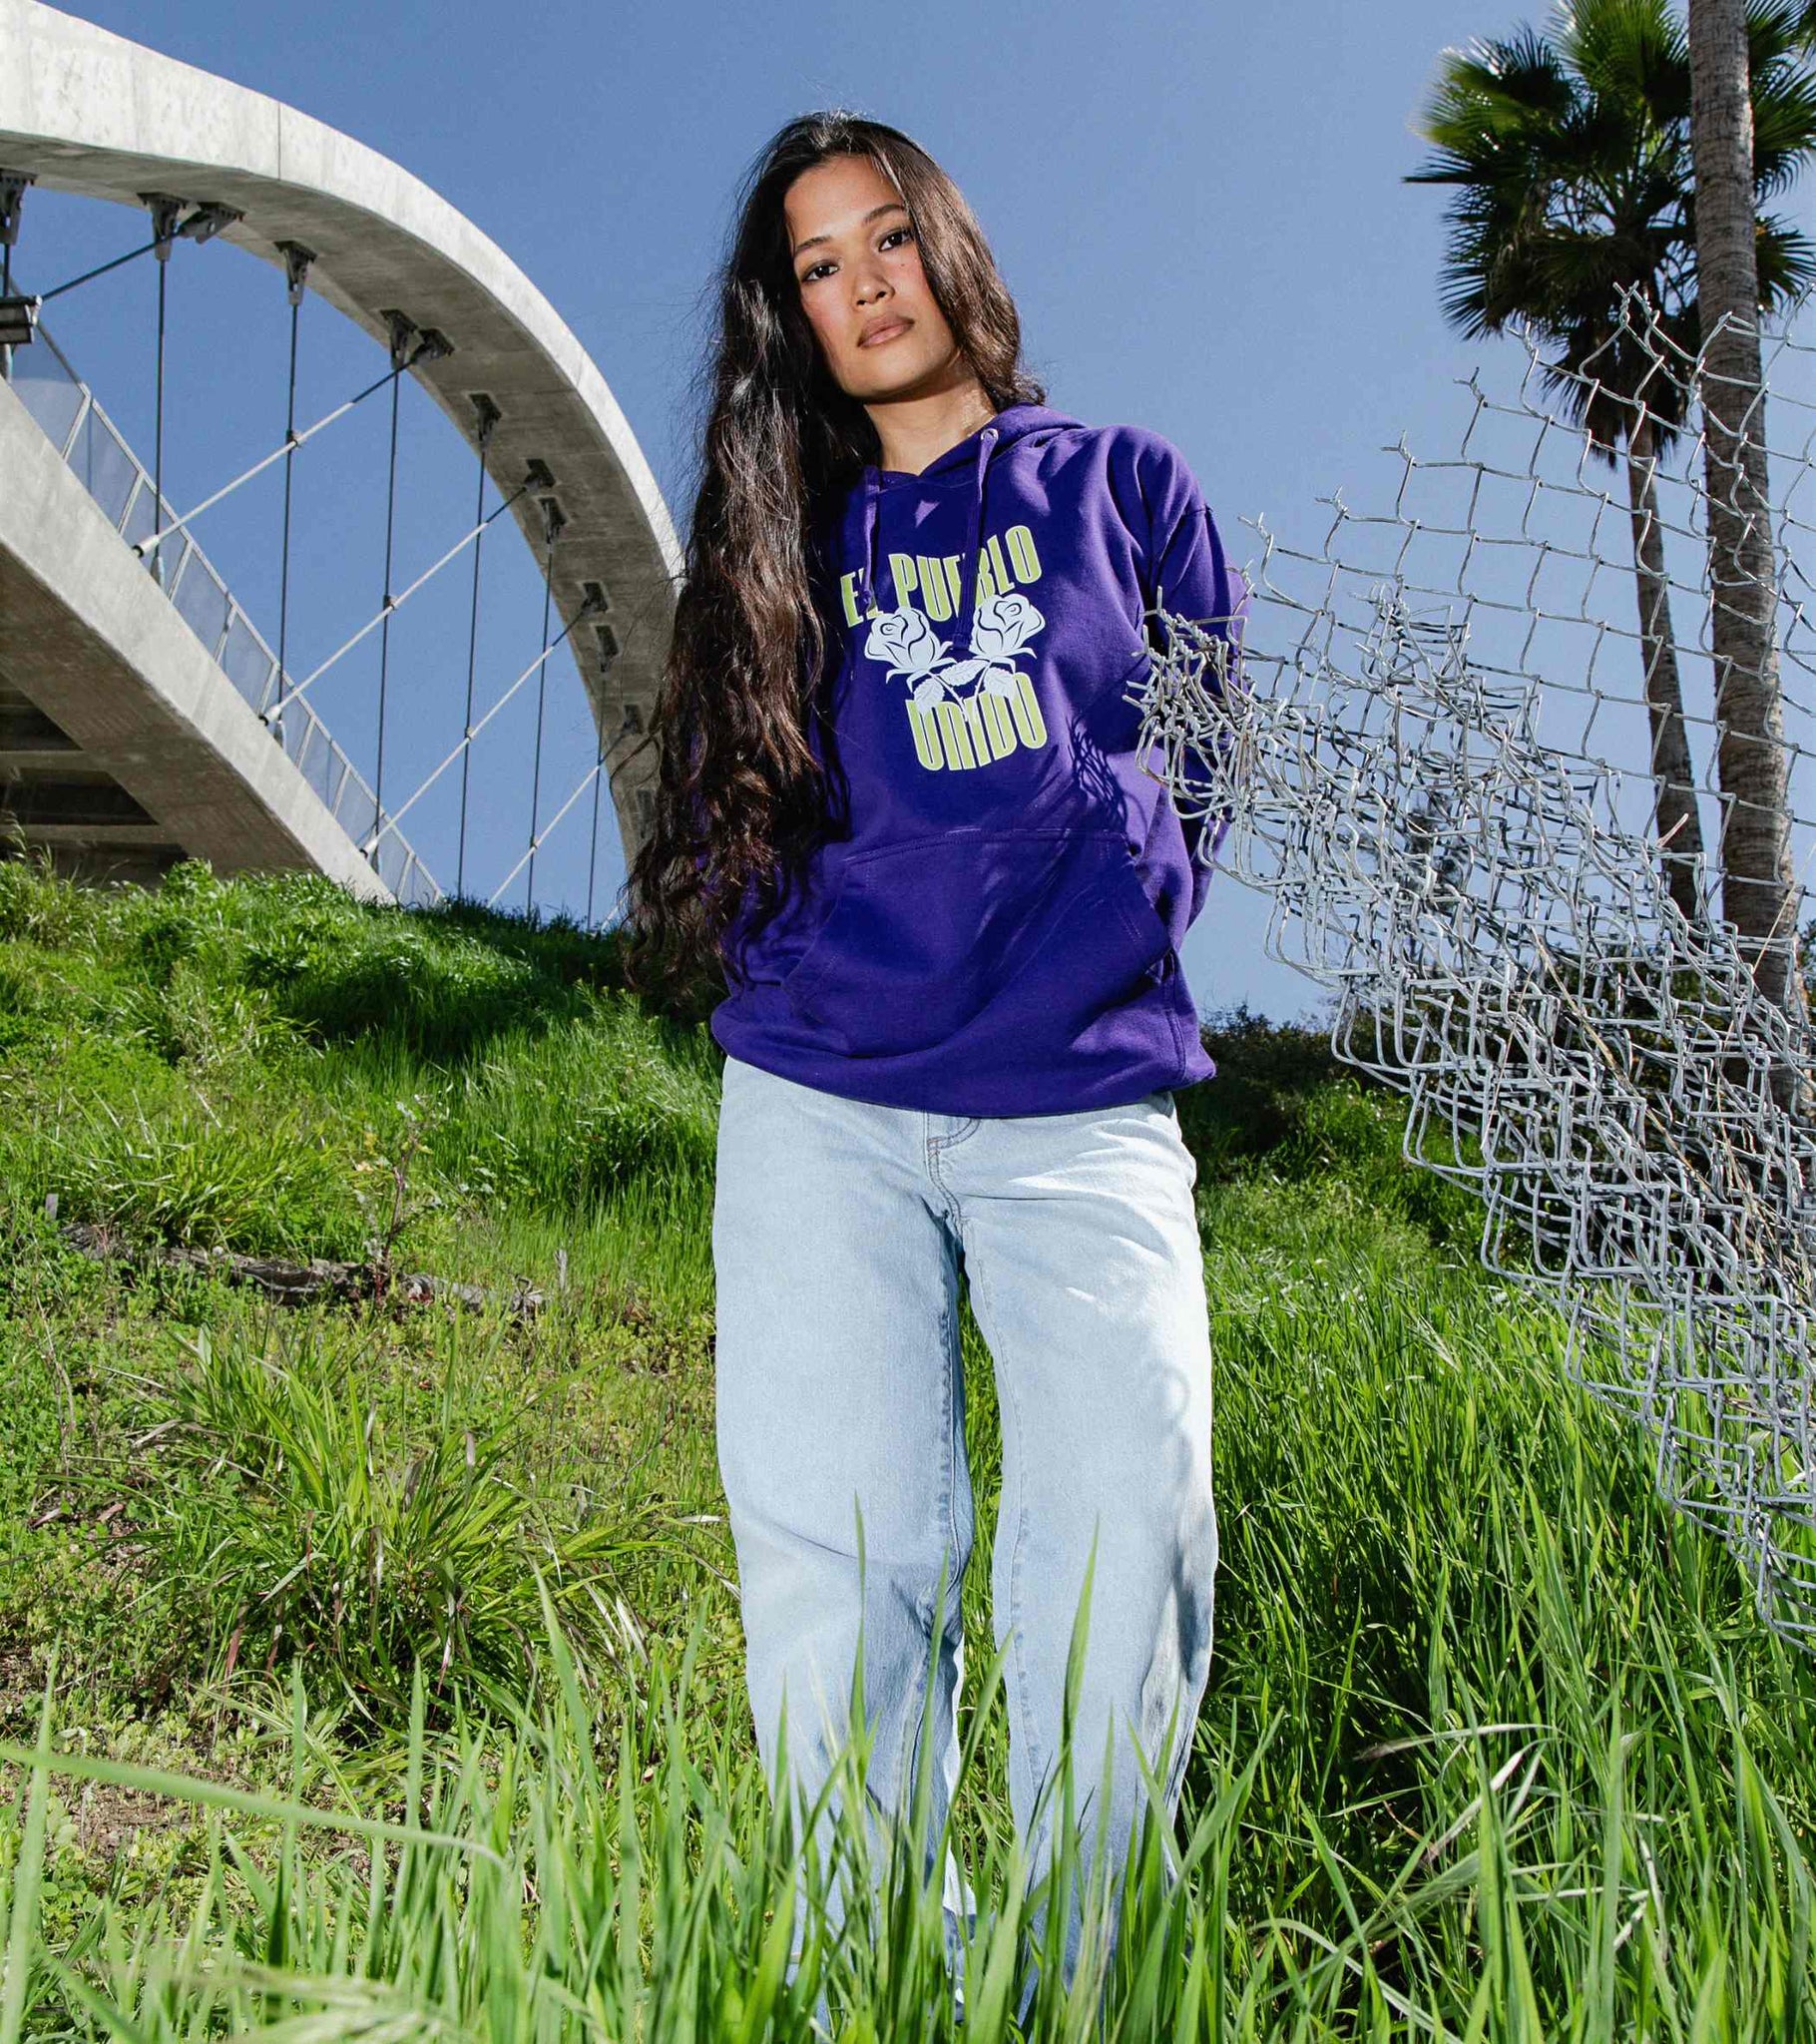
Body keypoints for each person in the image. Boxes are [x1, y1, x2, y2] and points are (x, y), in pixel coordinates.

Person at [618, 108, 1245, 2011]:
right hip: (824, 1097)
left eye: (883, 237)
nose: (860, 284)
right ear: (788, 316)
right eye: (815, 266)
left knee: (1127, 1533)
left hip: (1079, 1096)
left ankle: (1075, 1987)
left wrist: (1114, 902)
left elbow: (1205, 756)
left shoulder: (1125, 482)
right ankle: (863, 1982)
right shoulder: (783, 539)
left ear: (947, 244)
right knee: (845, 1557)